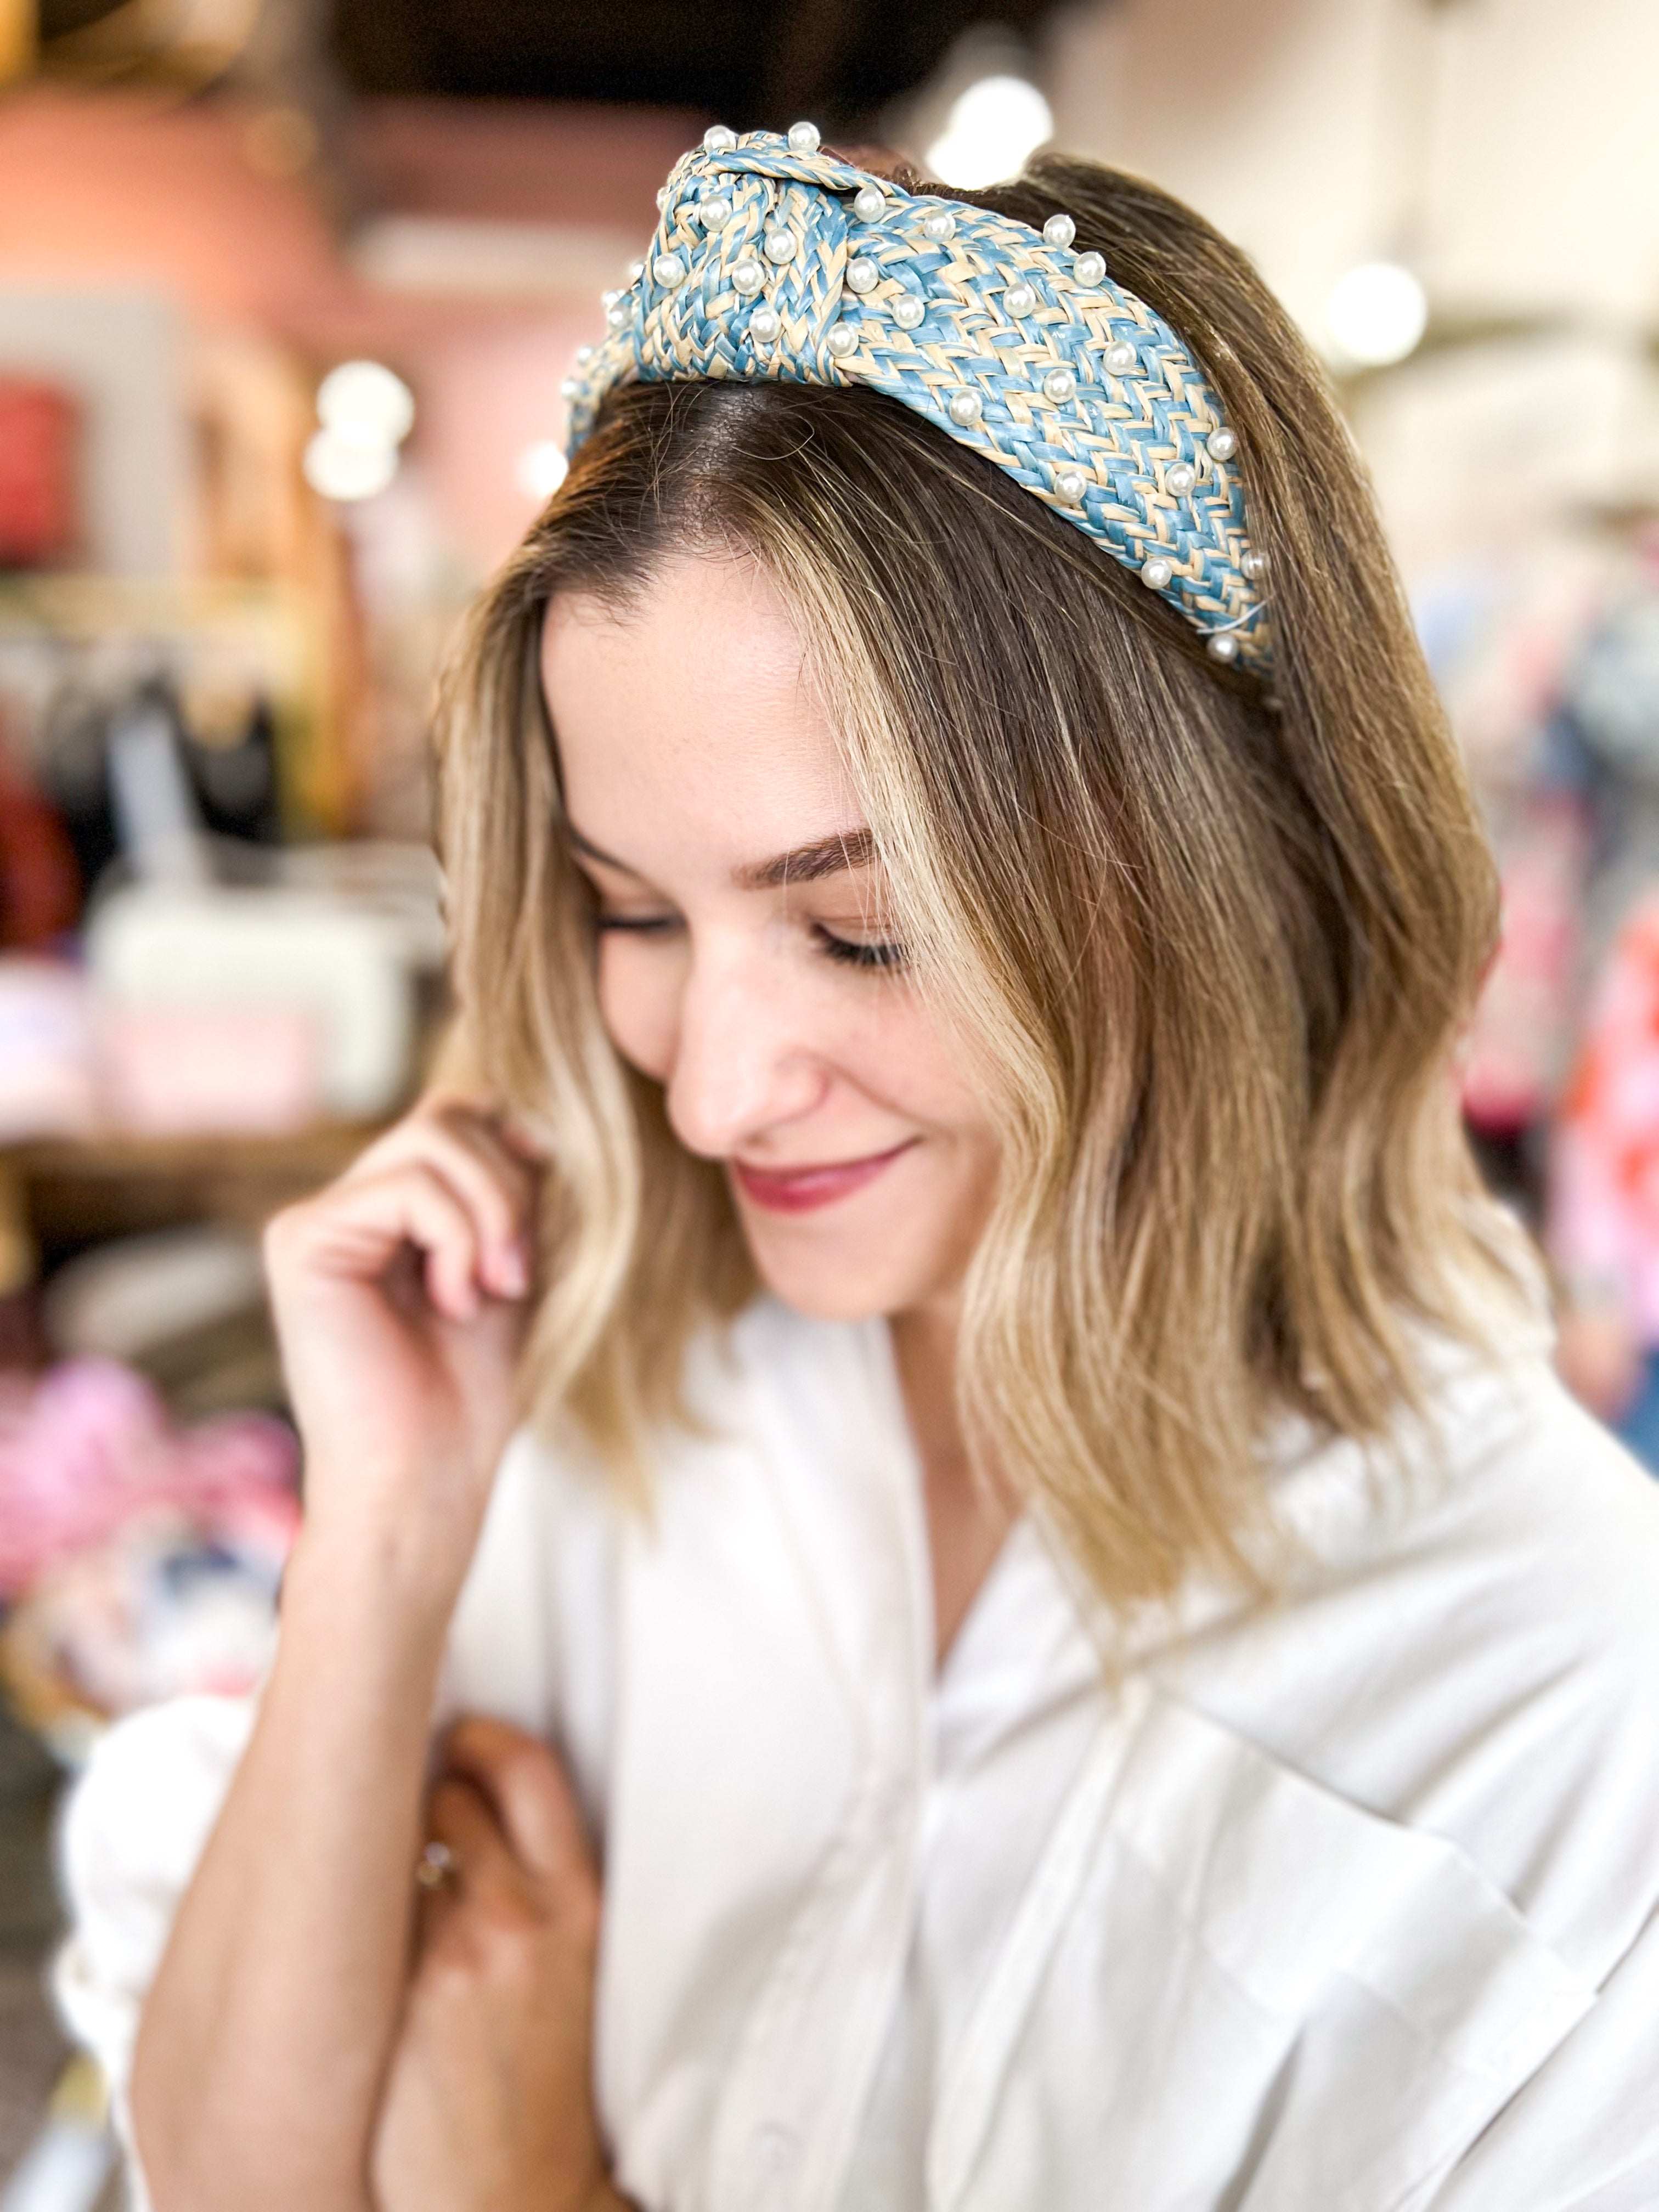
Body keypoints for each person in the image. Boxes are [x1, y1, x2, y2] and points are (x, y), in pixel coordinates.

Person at [54, 128, 1659, 2212]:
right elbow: (233, 2175)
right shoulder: (607, 1363)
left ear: (1214, 875)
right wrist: (384, 1537)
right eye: (636, 913)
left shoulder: (1553, 1703)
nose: (711, 1094)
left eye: (861, 929)